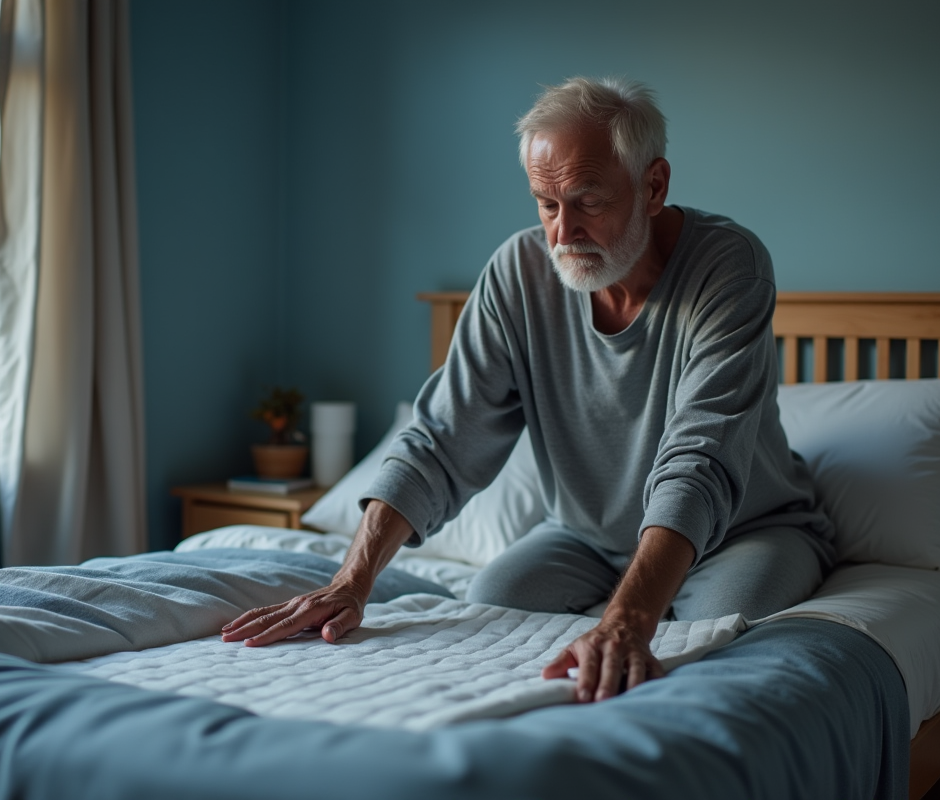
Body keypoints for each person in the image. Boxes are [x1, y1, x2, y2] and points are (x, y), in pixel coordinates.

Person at [222, 77, 835, 704]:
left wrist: (626, 621)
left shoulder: (728, 267)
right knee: (494, 599)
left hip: (741, 532)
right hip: (586, 540)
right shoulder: (517, 275)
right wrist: (350, 581)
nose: (563, 233)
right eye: (547, 204)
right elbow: (442, 439)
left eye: (588, 201)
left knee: (725, 626)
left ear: (653, 186)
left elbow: (700, 459)